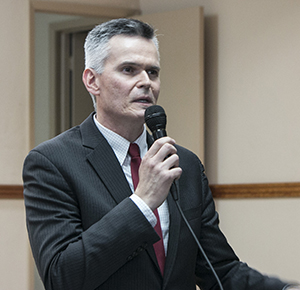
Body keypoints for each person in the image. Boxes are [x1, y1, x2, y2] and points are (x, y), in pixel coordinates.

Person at [23, 18, 299, 290]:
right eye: (129, 70)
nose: (146, 82)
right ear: (92, 81)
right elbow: (62, 277)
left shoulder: (184, 164)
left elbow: (219, 270)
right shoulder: (52, 163)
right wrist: (143, 202)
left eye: (152, 72)